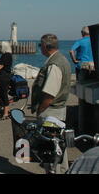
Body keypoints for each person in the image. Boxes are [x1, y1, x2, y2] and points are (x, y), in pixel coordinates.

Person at [31, 34, 72, 174]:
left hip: (51, 112)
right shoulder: (62, 60)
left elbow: (49, 94)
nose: (39, 48)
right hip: (58, 110)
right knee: (58, 146)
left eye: (39, 45)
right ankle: (63, 170)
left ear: (45, 46)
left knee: (51, 150)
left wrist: (40, 110)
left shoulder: (54, 64)